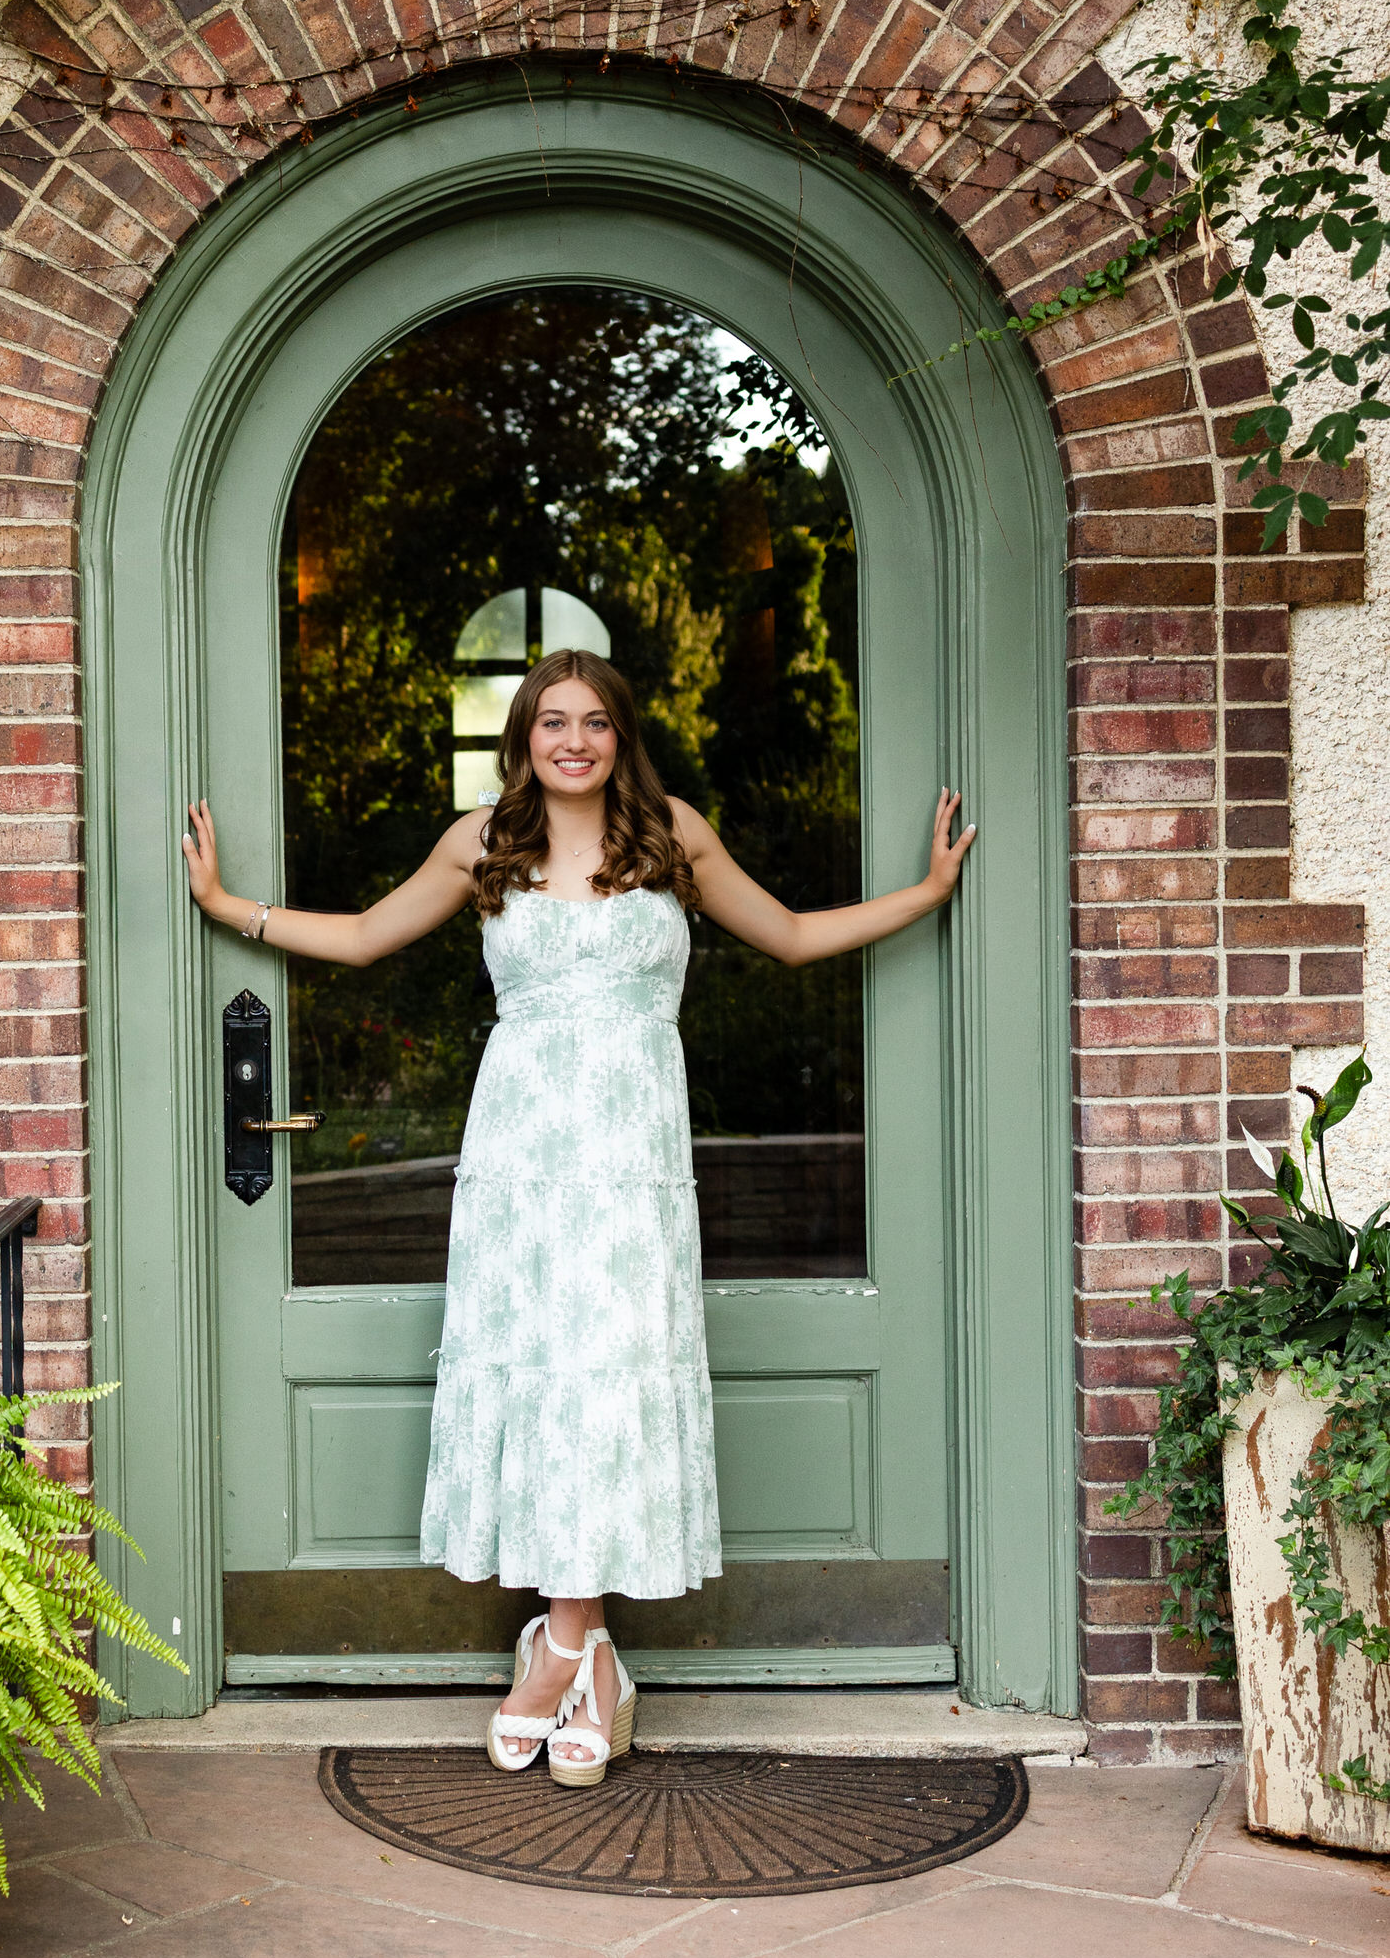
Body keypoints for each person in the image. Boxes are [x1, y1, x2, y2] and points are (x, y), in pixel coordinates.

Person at [182, 647, 974, 1785]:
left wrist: (927, 894)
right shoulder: (480, 842)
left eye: (593, 722)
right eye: (551, 721)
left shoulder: (672, 835)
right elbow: (361, 936)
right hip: (519, 1165)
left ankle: (562, 1649)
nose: (572, 740)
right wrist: (227, 907)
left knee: (605, 1372)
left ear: (620, 736)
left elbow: (792, 935)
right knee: (542, 1372)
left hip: (631, 1168)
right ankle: (582, 1651)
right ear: (522, 736)